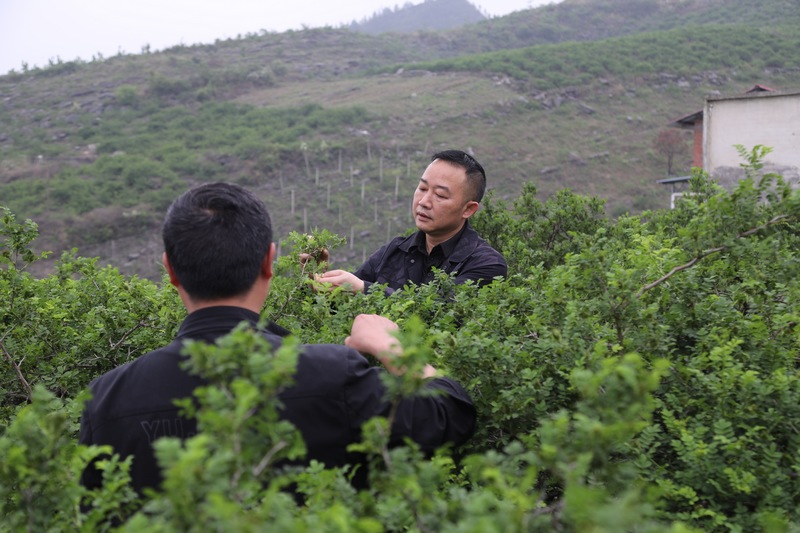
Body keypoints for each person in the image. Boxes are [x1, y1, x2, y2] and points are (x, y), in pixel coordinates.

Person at [79, 182, 476, 495]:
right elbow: (449, 414)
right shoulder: (332, 376)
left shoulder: (105, 398)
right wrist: (395, 346)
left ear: (170, 271)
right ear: (269, 261)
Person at [313, 150, 506, 295]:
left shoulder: (487, 265)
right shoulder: (395, 251)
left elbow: (436, 311)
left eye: (440, 195)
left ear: (468, 209)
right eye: (422, 188)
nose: (423, 202)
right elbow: (337, 306)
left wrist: (364, 290)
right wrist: (317, 277)